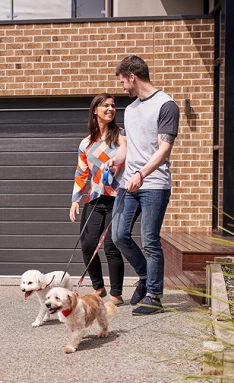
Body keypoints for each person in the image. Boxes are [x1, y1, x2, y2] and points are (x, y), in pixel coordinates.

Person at [107, 55, 180, 316]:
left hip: (155, 184)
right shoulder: (131, 109)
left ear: (132, 77)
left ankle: (155, 296)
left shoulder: (166, 105)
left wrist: (141, 173)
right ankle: (145, 277)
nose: (123, 87)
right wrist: (115, 162)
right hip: (129, 183)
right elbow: (129, 147)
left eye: (123, 81)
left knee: (149, 239)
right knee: (118, 235)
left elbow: (164, 149)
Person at [70, 93, 126, 305]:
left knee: (111, 246)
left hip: (118, 198)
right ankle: (98, 288)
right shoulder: (86, 143)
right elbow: (81, 172)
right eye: (105, 105)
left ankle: (116, 294)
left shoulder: (122, 136)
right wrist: (75, 200)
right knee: (87, 244)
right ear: (95, 110)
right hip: (94, 199)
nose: (110, 109)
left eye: (113, 105)